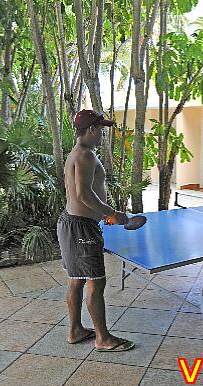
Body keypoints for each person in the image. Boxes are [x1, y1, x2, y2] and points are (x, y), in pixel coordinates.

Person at [57, 109, 135, 352]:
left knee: (77, 280)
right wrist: (112, 214)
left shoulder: (76, 154)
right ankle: (103, 338)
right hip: (81, 227)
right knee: (95, 283)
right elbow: (85, 194)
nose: (102, 135)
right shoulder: (86, 155)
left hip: (72, 223)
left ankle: (75, 330)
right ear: (91, 130)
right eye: (100, 130)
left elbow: (79, 196)